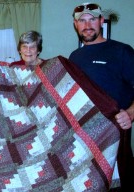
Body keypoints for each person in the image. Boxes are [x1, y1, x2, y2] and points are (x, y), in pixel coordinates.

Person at [69, 2, 134, 191]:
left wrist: (130, 113)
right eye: (82, 21)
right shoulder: (75, 56)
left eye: (92, 20)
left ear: (101, 21)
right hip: (84, 135)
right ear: (75, 25)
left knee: (116, 183)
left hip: (114, 131)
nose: (87, 25)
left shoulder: (121, 51)